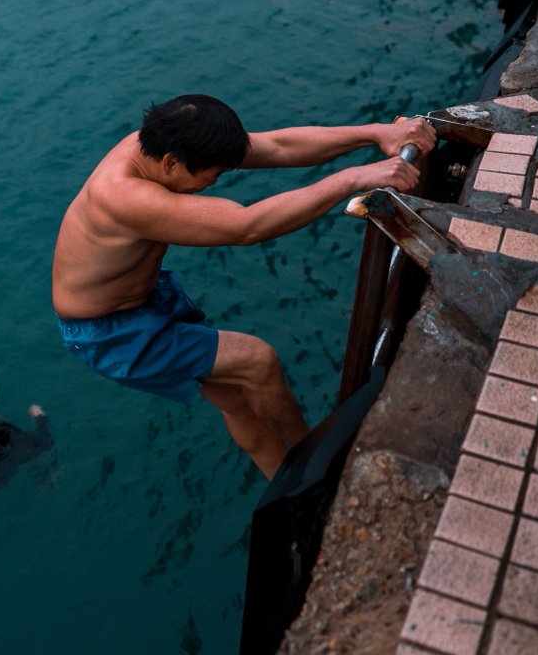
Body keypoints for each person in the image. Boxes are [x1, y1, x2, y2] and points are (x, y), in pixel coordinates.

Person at [52, 95, 436, 479]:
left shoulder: (161, 147)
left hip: (139, 300)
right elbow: (247, 226)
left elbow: (277, 146)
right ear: (170, 163)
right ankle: (318, 468)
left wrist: (377, 133)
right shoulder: (125, 197)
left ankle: (281, 483)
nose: (213, 182)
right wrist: (356, 176)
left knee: (235, 399)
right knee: (257, 361)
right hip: (111, 333)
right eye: (213, 175)